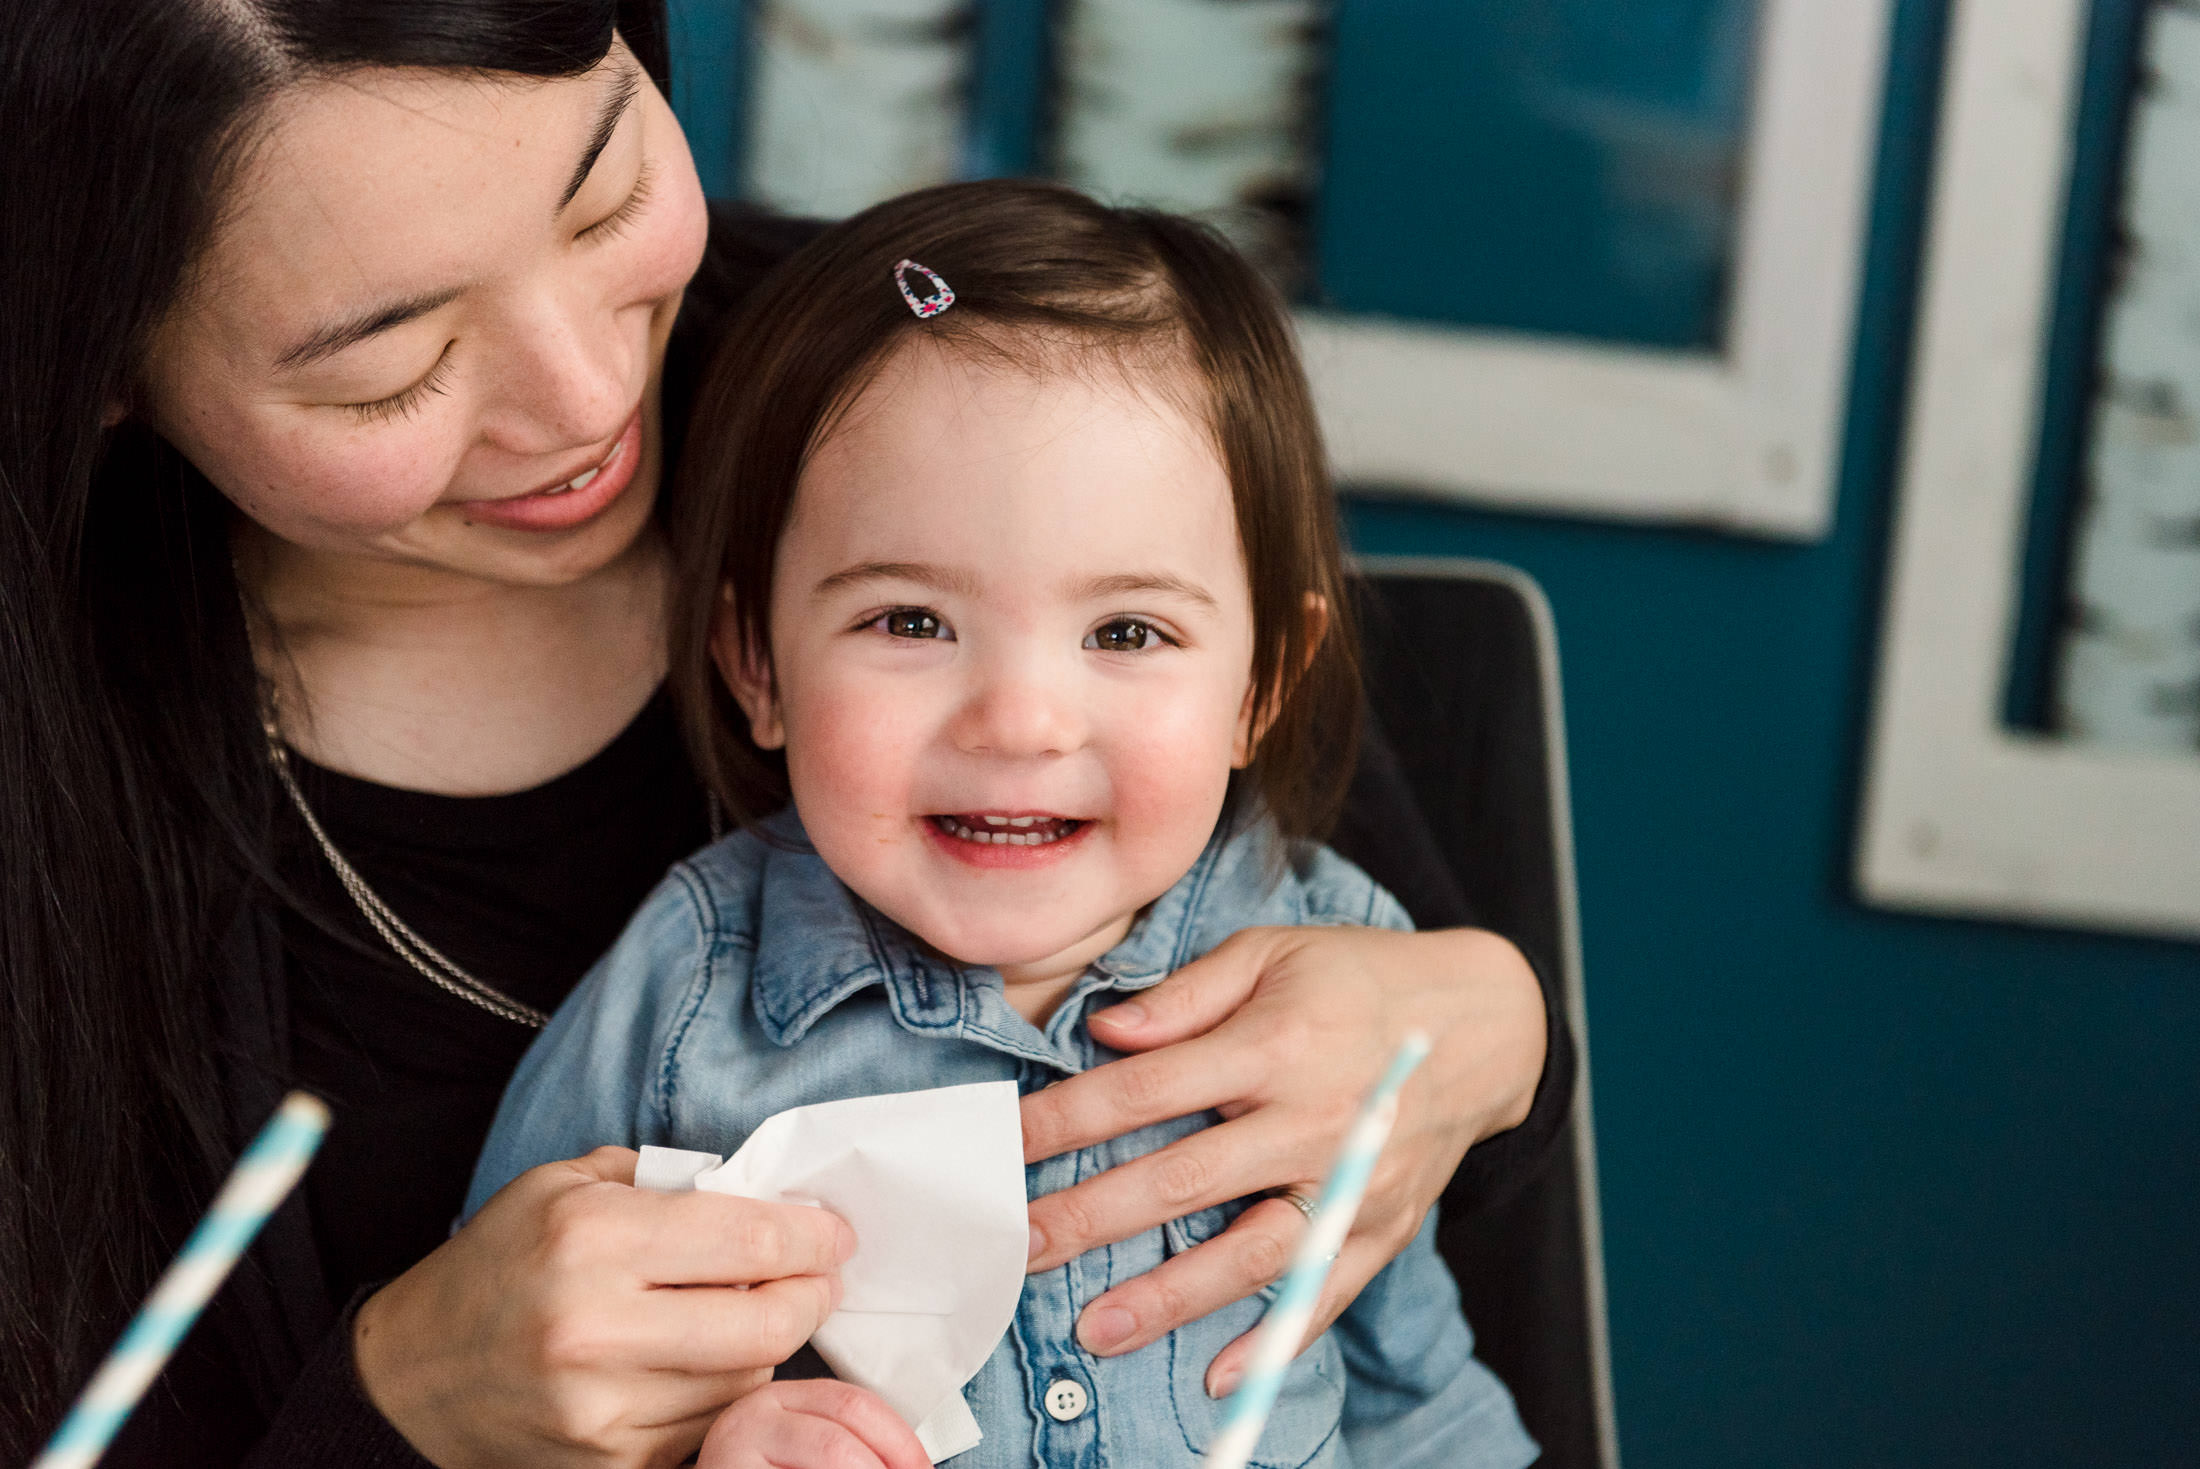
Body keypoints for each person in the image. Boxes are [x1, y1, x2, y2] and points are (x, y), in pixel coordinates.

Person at [0, 3, 1568, 1466]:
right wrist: (401, 1402)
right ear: (98, 374)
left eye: (603, 198)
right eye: (391, 363)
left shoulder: (958, 362)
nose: (587, 393)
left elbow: (1450, 1313)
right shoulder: (75, 795)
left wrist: (1499, 1027)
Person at [467, 179, 1545, 1469]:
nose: (1022, 722)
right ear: (756, 664)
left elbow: (1415, 1396)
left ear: (1263, 685)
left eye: (1127, 632)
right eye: (910, 623)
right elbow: (530, 1389)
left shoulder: (1335, 964)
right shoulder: (690, 999)